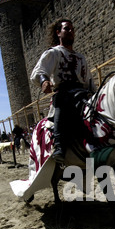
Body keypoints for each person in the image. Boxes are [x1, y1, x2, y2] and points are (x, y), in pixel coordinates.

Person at [30, 19, 95, 162]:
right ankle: (59, 146)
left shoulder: (81, 57)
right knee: (62, 102)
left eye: (72, 29)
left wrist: (95, 94)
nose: (71, 31)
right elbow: (40, 71)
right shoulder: (54, 53)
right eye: (67, 29)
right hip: (64, 93)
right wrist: (44, 81)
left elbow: (89, 80)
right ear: (58, 33)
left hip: (82, 94)